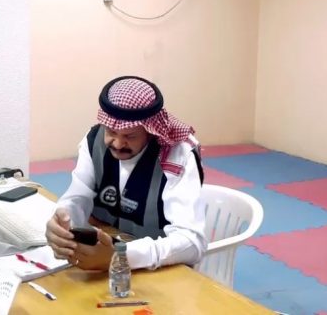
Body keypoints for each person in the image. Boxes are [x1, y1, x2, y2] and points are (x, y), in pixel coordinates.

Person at [45, 76, 207, 271]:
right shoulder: (94, 140)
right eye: (111, 132)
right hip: (104, 258)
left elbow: (192, 243)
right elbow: (78, 196)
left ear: (150, 131)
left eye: (130, 136)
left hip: (160, 268)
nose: (118, 143)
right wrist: (62, 225)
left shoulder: (178, 155)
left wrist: (121, 256)